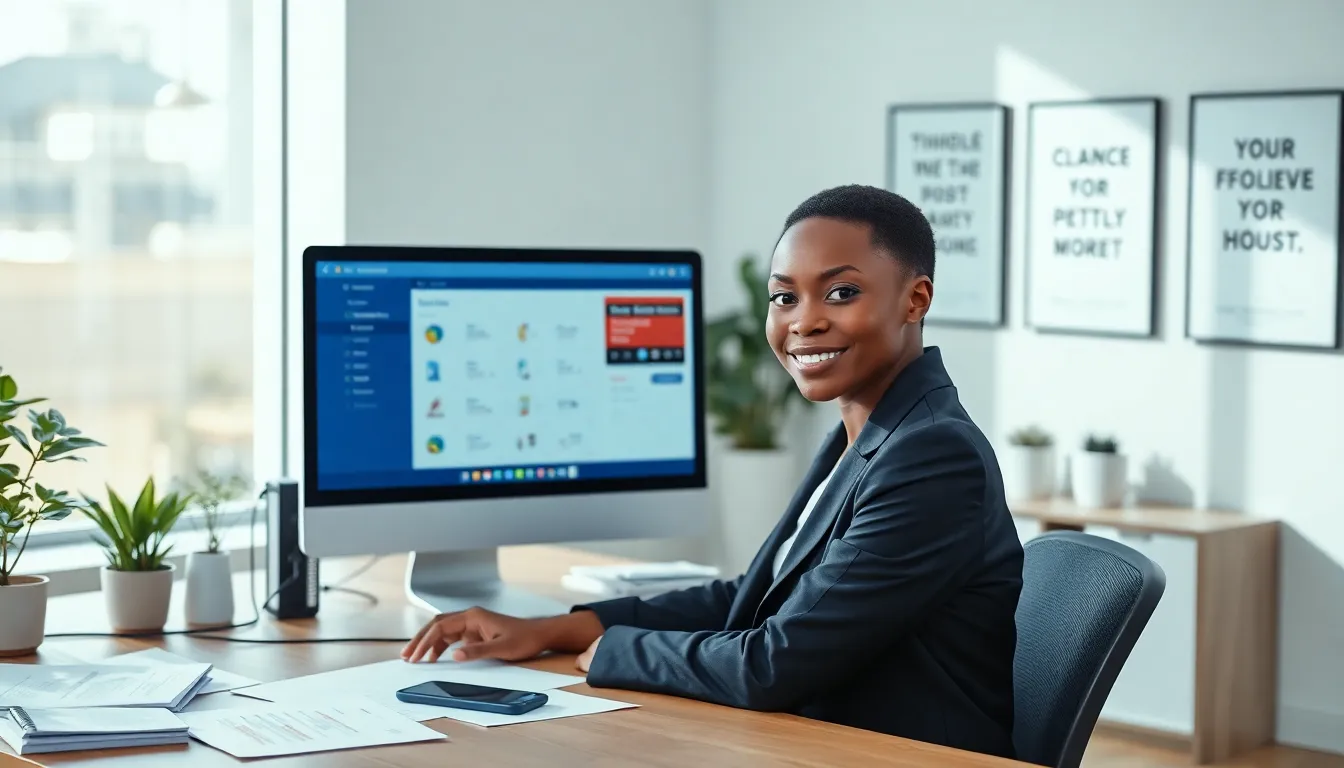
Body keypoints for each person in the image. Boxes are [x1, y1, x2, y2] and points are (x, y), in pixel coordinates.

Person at [402, 184, 1024, 759]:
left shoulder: (934, 457)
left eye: (841, 292)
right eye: (784, 297)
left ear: (915, 299)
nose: (803, 321)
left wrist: (614, 651)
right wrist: (553, 629)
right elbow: (756, 595)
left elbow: (772, 664)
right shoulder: (870, 434)